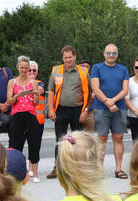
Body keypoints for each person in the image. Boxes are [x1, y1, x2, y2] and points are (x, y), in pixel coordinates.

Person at [46, 46, 91, 179]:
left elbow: (89, 93)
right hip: (60, 109)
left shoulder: (83, 71)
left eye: (70, 57)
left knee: (78, 141)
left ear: (75, 57)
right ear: (62, 58)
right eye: (65, 57)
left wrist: (85, 111)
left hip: (78, 110)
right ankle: (57, 167)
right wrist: (51, 109)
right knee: (60, 140)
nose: (68, 60)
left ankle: (79, 169)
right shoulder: (56, 70)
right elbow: (51, 91)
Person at [91, 44, 130, 179]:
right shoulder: (96, 68)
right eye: (109, 53)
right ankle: (99, 170)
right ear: (104, 53)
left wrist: (112, 101)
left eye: (114, 53)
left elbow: (125, 90)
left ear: (117, 55)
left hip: (119, 108)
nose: (111, 55)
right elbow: (95, 88)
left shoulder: (123, 69)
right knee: (101, 138)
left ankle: (118, 169)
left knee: (118, 138)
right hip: (101, 108)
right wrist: (108, 102)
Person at [6, 56, 43, 177]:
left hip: (31, 114)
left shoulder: (33, 82)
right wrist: (18, 95)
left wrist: (36, 95)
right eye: (22, 67)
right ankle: (14, 172)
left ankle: (35, 173)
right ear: (18, 67)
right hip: (17, 115)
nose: (24, 70)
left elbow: (35, 103)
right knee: (15, 144)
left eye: (26, 68)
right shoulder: (12, 82)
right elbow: (9, 101)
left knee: (34, 143)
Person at [30, 60, 46, 182]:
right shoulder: (20, 82)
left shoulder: (40, 83)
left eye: (34, 70)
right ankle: (29, 168)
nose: (31, 72)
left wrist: (30, 84)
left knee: (35, 146)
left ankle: (33, 169)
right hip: (25, 118)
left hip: (38, 120)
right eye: (29, 70)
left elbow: (39, 91)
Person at [78, 59, 95, 132]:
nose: (84, 68)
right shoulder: (75, 79)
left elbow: (95, 94)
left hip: (90, 112)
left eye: (87, 66)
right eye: (82, 66)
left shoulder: (93, 80)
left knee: (90, 136)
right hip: (77, 111)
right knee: (78, 136)